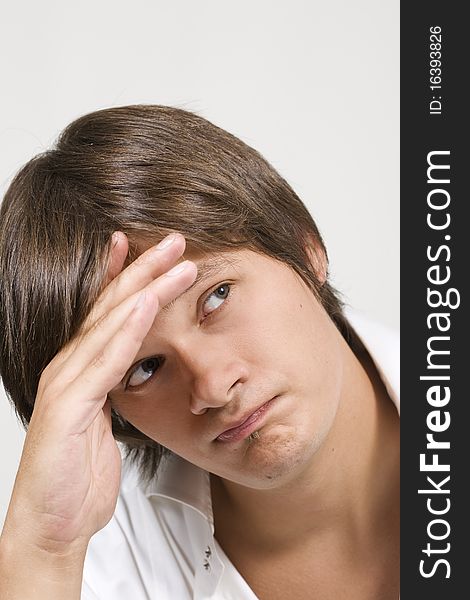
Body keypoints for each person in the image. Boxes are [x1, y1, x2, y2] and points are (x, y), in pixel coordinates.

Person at [0, 105, 399, 599]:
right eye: (144, 369)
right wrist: (44, 552)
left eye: (217, 296)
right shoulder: (97, 564)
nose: (211, 386)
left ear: (305, 247)